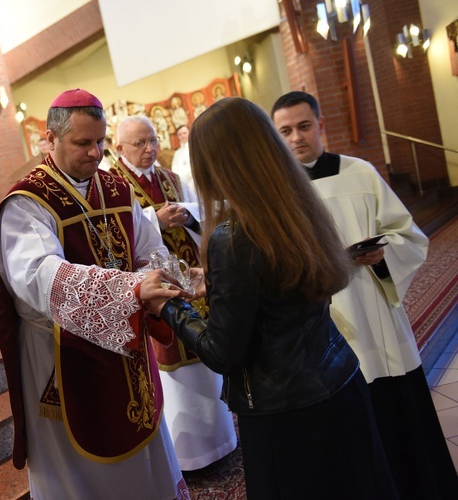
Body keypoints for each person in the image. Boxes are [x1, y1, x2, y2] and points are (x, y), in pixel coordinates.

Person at [141, 97, 398, 498]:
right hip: (341, 382)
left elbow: (224, 353)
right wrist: (220, 283)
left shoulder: (232, 235)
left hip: (286, 411)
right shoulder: (296, 202)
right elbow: (285, 282)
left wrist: (169, 306)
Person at [0, 89, 190, 499]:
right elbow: (39, 276)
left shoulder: (118, 190)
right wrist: (131, 290)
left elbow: (151, 249)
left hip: (129, 353)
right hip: (61, 355)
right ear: (49, 139)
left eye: (101, 142)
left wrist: (150, 281)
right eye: (82, 143)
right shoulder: (27, 203)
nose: (95, 154)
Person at [272, 90, 458, 498]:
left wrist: (381, 254)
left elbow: (408, 234)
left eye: (304, 126)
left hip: (374, 311)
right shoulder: (277, 193)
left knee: (399, 415)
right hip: (323, 320)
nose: (296, 138)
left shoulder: (360, 173)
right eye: (285, 131)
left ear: (320, 125)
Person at [109, 115, 236, 471]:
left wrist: (189, 216)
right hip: (155, 292)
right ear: (119, 148)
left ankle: (222, 441)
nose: (150, 149)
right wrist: (155, 221)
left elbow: (202, 214)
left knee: (209, 365)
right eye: (140, 143)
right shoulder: (112, 185)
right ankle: (191, 457)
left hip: (191, 280)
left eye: (153, 140)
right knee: (176, 375)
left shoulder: (172, 178)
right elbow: (112, 236)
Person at [171, 125, 194, 193]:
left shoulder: (195, 148)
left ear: (189, 133)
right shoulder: (177, 153)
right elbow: (174, 170)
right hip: (182, 183)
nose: (182, 136)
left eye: (184, 133)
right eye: (180, 134)